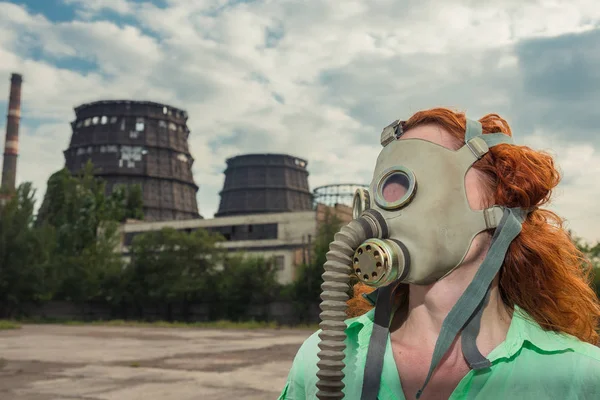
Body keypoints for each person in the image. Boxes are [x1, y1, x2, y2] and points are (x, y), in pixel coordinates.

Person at [278, 108, 600, 400]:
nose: (396, 206)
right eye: (388, 185)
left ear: (502, 204)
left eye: (427, 177)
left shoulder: (580, 376)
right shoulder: (325, 356)